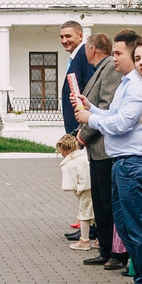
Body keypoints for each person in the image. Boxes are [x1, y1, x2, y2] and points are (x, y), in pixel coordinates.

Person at [84, 32, 142, 284]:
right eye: (137, 57)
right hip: (124, 163)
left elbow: (121, 125)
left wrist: (90, 118)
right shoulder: (131, 84)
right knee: (127, 228)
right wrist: (92, 110)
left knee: (137, 228)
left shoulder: (140, 88)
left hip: (135, 163)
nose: (141, 62)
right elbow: (115, 117)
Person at [72, 30, 122, 270]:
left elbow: (106, 105)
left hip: (104, 148)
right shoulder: (101, 69)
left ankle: (112, 250)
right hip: (98, 148)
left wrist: (84, 133)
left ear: (91, 49)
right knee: (100, 201)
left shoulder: (110, 67)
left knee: (106, 203)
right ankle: (105, 248)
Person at [56, 20, 90, 241]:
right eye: (61, 37)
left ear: (80, 35)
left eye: (69, 36)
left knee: (84, 180)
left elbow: (86, 88)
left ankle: (88, 225)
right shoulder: (75, 57)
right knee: (80, 178)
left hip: (82, 127)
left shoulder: (84, 56)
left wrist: (82, 128)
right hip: (77, 126)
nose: (64, 40)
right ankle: (84, 221)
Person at [56, 135, 92, 243]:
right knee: (95, 215)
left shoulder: (69, 164)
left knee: (84, 215)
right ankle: (99, 239)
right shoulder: (85, 157)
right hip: (94, 187)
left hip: (84, 190)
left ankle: (84, 240)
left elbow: (68, 185)